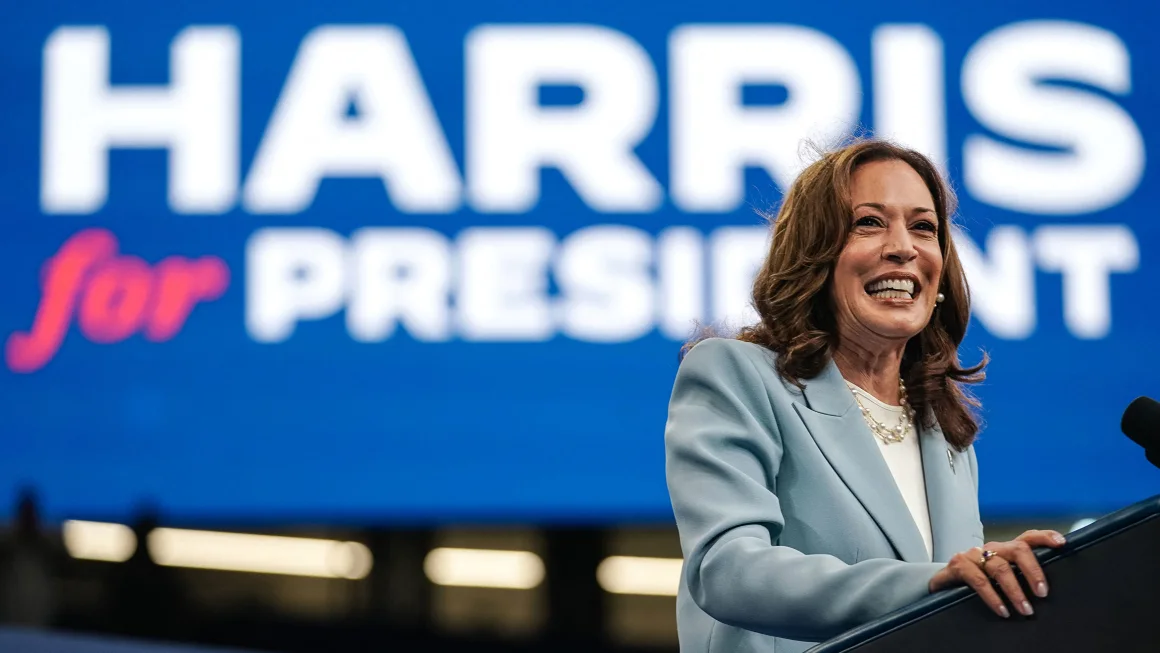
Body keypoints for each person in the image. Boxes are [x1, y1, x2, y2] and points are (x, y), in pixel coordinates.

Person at [664, 138, 1066, 653]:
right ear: (814, 254)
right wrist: (931, 583)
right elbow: (727, 572)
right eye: (869, 223)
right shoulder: (737, 374)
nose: (904, 247)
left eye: (924, 227)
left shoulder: (943, 432)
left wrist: (1014, 581)